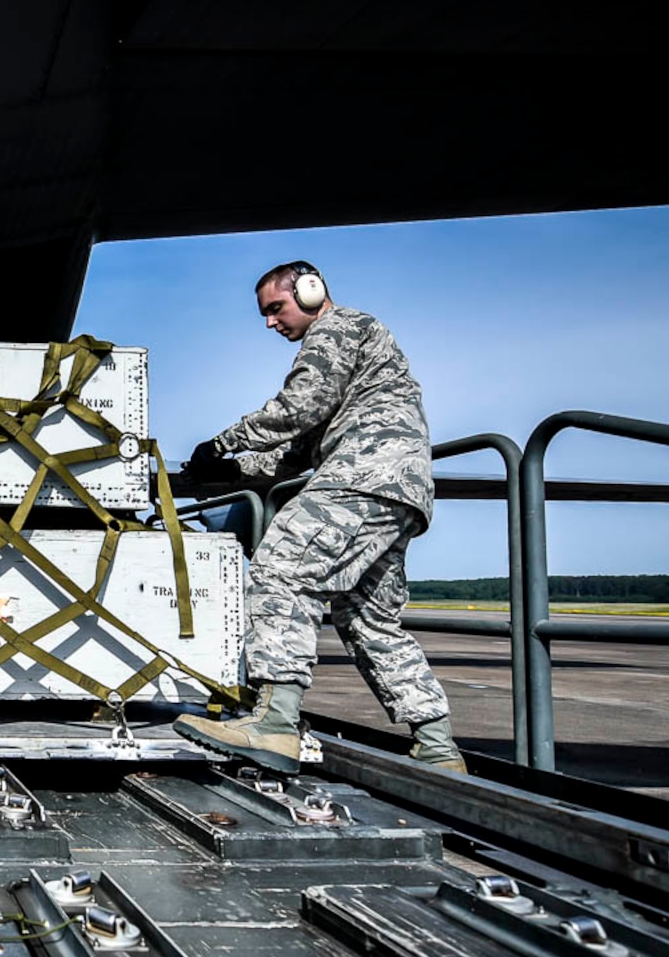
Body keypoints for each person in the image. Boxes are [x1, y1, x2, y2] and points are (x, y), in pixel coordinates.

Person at [173, 262, 464, 774]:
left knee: (281, 567)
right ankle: (438, 746)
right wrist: (218, 472)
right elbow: (297, 452)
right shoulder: (355, 357)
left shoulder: (340, 328)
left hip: (364, 476)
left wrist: (224, 441)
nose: (269, 323)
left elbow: (297, 407)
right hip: (394, 489)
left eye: (275, 308)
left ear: (309, 292)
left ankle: (275, 725)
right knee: (368, 616)